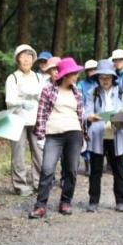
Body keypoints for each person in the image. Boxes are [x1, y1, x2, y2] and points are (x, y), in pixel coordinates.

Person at [30, 58, 86, 218]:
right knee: (47, 168)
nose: (76, 76)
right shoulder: (48, 90)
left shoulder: (77, 92)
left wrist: (84, 137)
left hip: (74, 133)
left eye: (76, 73)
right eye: (73, 73)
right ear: (65, 75)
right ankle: (40, 205)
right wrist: (40, 136)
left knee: (71, 170)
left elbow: (81, 115)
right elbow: (41, 114)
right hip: (53, 134)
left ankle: (66, 202)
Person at [83, 60, 123, 212]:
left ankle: (121, 201)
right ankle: (93, 201)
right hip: (98, 134)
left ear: (113, 78)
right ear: (97, 78)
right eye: (101, 77)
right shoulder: (92, 92)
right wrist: (91, 117)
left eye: (108, 77)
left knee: (118, 169)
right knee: (96, 170)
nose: (105, 80)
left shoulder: (121, 92)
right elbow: (87, 112)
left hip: (117, 133)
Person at [5, 44, 44, 196]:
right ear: (17, 59)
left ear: (33, 59)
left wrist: (26, 97)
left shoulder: (38, 77)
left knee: (39, 152)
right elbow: (10, 100)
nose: (26, 59)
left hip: (36, 119)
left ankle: (39, 182)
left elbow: (43, 97)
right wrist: (23, 101)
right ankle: (20, 186)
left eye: (29, 56)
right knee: (18, 154)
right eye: (22, 56)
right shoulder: (12, 78)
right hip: (17, 119)